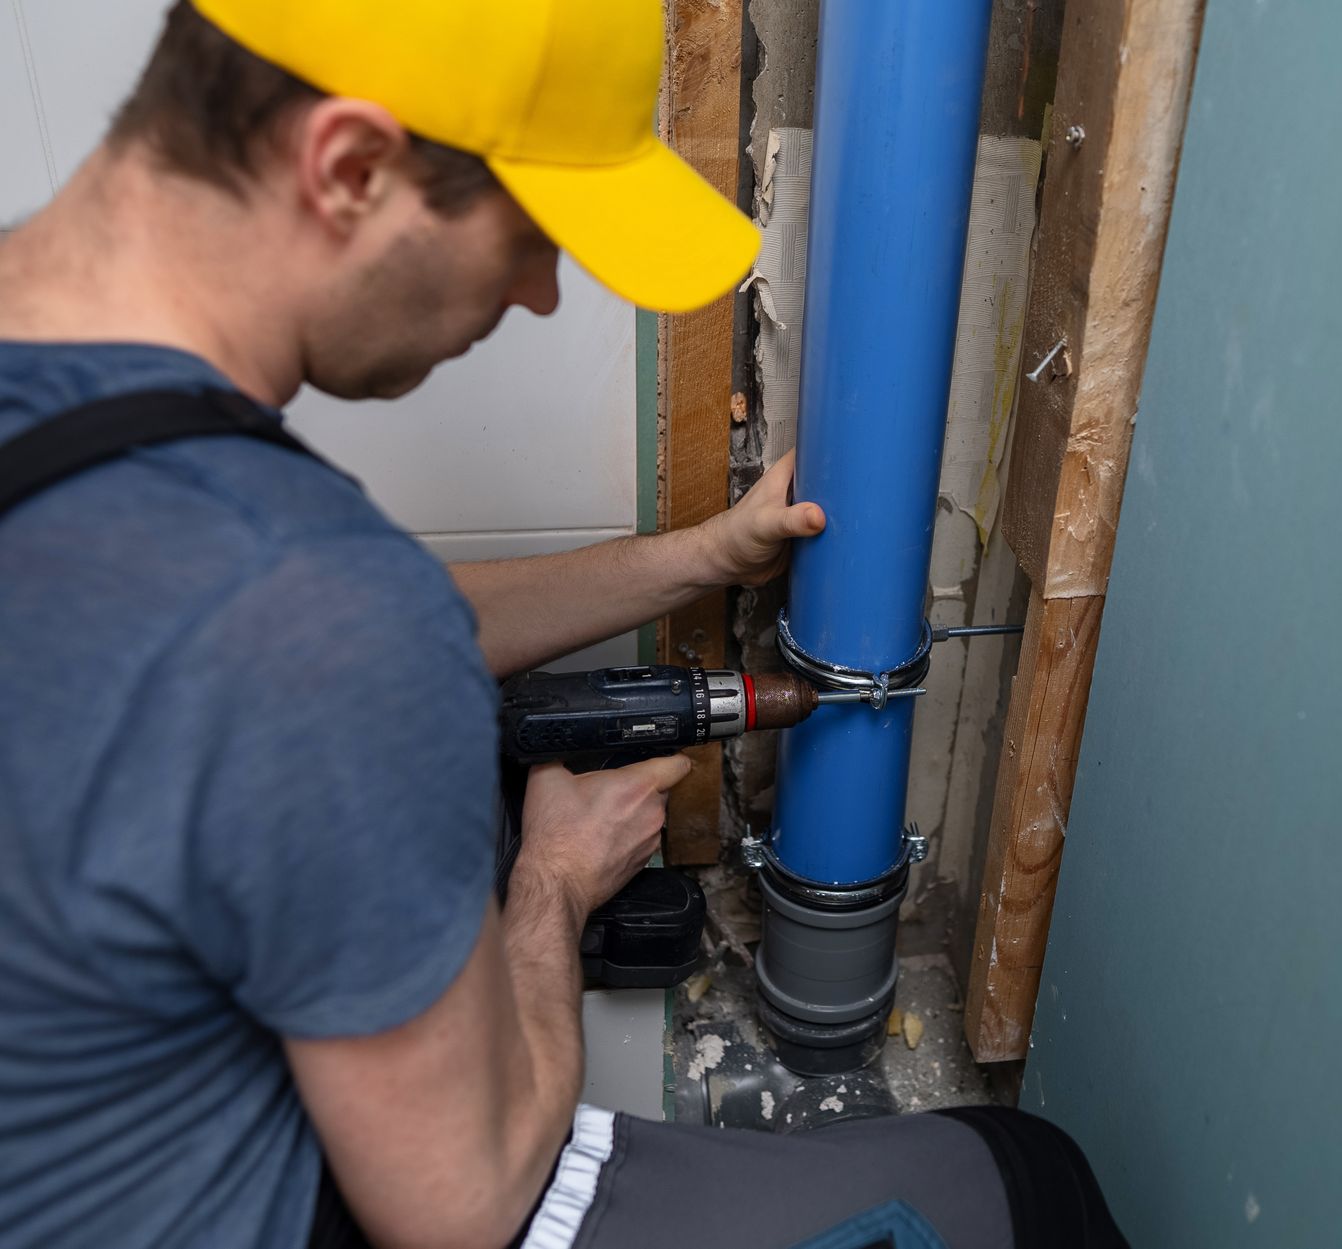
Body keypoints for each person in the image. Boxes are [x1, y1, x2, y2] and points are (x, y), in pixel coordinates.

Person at [0, 1, 1126, 1247]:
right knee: (1030, 1179)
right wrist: (551, 884)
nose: (541, 294)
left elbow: (299, 630)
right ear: (351, 168)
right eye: (533, 233)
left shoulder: (94, 426)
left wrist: (699, 557)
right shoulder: (305, 613)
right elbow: (462, 1202)